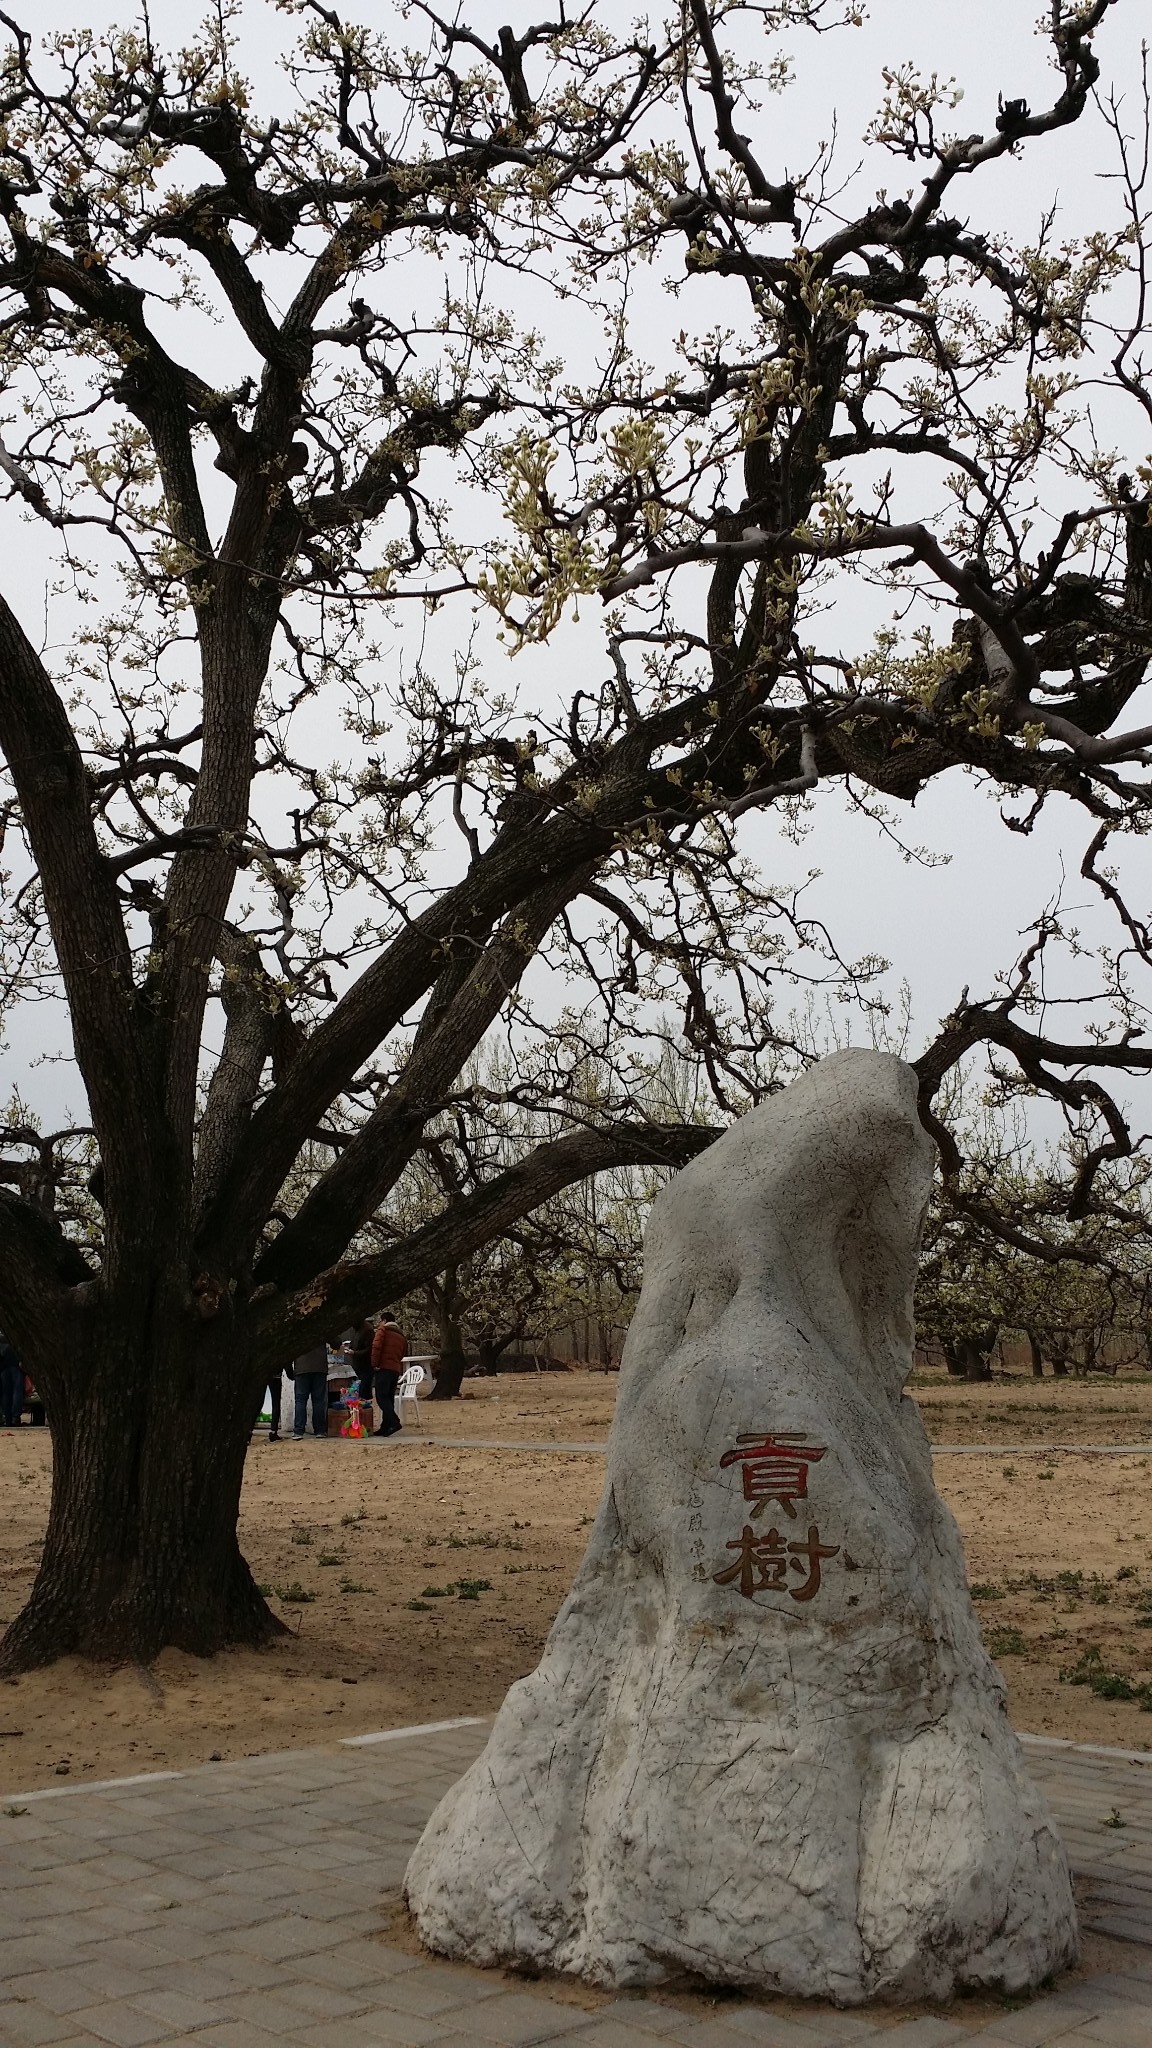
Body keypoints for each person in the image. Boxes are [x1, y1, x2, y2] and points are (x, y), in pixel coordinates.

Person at [370, 1311, 407, 1438]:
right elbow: (403, 1352)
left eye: (380, 1321)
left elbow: (376, 1347)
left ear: (384, 1320)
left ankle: (394, 1421)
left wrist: (374, 1364)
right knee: (389, 1398)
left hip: (383, 1368)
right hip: (395, 1369)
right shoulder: (401, 1335)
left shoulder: (383, 1330)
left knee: (381, 1397)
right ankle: (385, 1426)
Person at [292, 1342, 329, 1439]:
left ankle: (298, 1431)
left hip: (301, 1367)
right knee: (319, 1401)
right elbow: (336, 1342)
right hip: (319, 1367)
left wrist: (289, 1370)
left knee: (300, 1400)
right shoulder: (322, 1327)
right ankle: (320, 1430)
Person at [0, 1330, 22, 1429]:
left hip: (4, 1365)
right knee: (17, 1391)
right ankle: (15, 1417)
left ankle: (7, 1418)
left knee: (5, 1393)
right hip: (16, 1363)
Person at [266, 1370, 283, 1442]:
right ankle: (273, 1431)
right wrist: (292, 1375)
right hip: (276, 1377)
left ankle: (249, 1431)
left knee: (257, 1404)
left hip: (261, 1376)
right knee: (276, 1404)